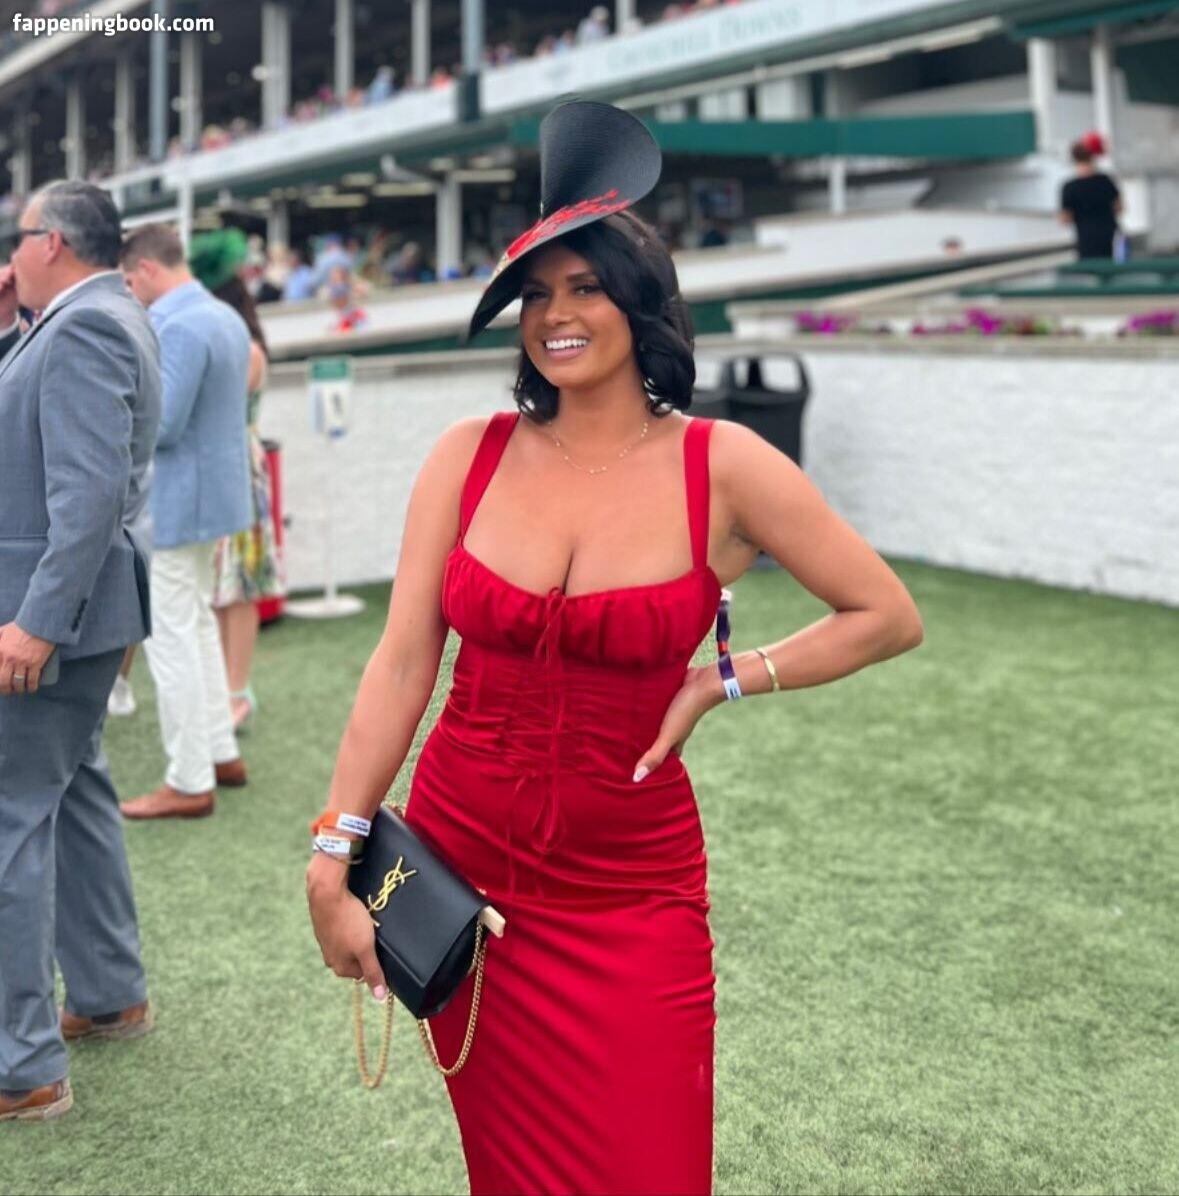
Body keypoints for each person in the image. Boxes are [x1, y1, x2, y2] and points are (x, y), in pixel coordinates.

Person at [305, 101, 923, 1193]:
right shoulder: (467, 454)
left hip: (631, 892)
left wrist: (724, 679)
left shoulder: (723, 465)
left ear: (640, 301)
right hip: (463, 880)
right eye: (537, 295)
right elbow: (402, 662)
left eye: (586, 287)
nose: (558, 315)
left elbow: (883, 612)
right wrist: (332, 850)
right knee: (511, 1172)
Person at [0, 180, 160, 1122]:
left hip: (55, 619)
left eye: (16, 239)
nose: (9, 256)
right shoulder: (88, 317)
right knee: (77, 794)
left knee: (11, 818)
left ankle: (20, 1067)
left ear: (50, 241)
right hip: (87, 618)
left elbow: (90, 492)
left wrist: (37, 622)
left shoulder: (83, 327)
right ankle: (108, 993)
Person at [118, 223, 252, 820]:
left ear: (147, 269)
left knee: (172, 636)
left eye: (128, 280)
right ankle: (218, 752)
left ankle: (190, 777)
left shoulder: (175, 324)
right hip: (214, 497)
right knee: (193, 625)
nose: (129, 292)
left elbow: (163, 424)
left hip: (177, 500)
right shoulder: (223, 315)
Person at [187, 232, 285, 733]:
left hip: (237, 467)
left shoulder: (246, 351)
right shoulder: (234, 344)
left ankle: (236, 690)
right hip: (217, 466)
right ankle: (223, 689)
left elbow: (216, 408)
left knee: (239, 580)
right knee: (218, 581)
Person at [1059, 132, 1122, 260]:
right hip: (1111, 239)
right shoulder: (1105, 181)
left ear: (1074, 160)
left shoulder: (1069, 187)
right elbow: (1119, 208)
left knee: (1091, 269)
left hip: (1086, 242)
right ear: (1092, 158)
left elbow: (1065, 219)